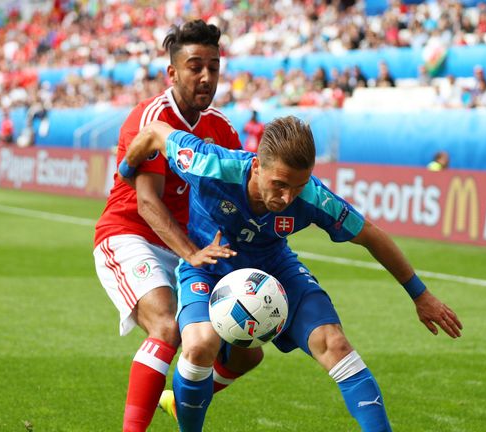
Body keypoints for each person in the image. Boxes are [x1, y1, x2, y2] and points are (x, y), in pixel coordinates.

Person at [119, 116, 463, 431]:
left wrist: (420, 295)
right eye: (280, 184)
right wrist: (126, 166)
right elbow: (153, 133)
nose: (287, 197)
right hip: (209, 268)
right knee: (199, 346)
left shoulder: (313, 196)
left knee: (336, 344)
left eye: (298, 187)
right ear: (257, 167)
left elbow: (370, 234)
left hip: (276, 270)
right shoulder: (209, 164)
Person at [93, 20, 261, 431]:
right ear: (172, 72)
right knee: (167, 327)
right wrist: (192, 254)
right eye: (195, 66)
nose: (206, 77)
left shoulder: (221, 128)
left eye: (214, 67)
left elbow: (235, 201)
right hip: (130, 234)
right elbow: (147, 203)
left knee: (245, 352)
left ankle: (177, 398)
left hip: (189, 248)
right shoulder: (152, 119)